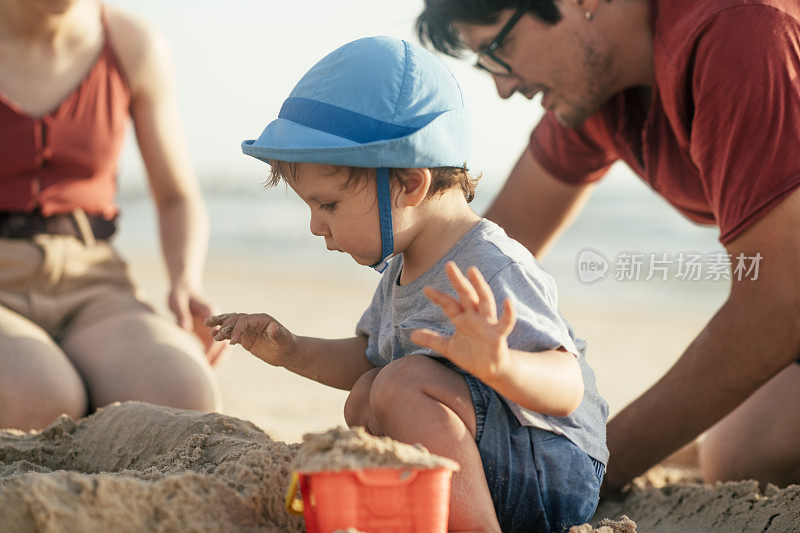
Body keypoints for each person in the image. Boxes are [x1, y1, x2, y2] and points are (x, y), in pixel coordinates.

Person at [206, 36, 608, 532]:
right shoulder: (402, 268)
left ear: (410, 184)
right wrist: (290, 350)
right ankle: (430, 515)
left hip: (553, 470)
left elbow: (566, 386)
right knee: (366, 391)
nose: (316, 226)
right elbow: (367, 357)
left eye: (327, 205)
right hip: (492, 465)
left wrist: (503, 365)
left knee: (399, 385)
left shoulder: (487, 264)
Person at [415, 0, 800, 492]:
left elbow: (777, 305)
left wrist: (593, 466)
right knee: (739, 453)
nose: (504, 86)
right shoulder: (600, 90)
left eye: (499, 47)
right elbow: (479, 259)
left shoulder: (736, 30)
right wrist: (394, 377)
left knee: (744, 451)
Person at [0, 0, 222, 431]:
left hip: (94, 283)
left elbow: (177, 197)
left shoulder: (132, 44)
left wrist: (184, 280)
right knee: (37, 397)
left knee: (185, 393)